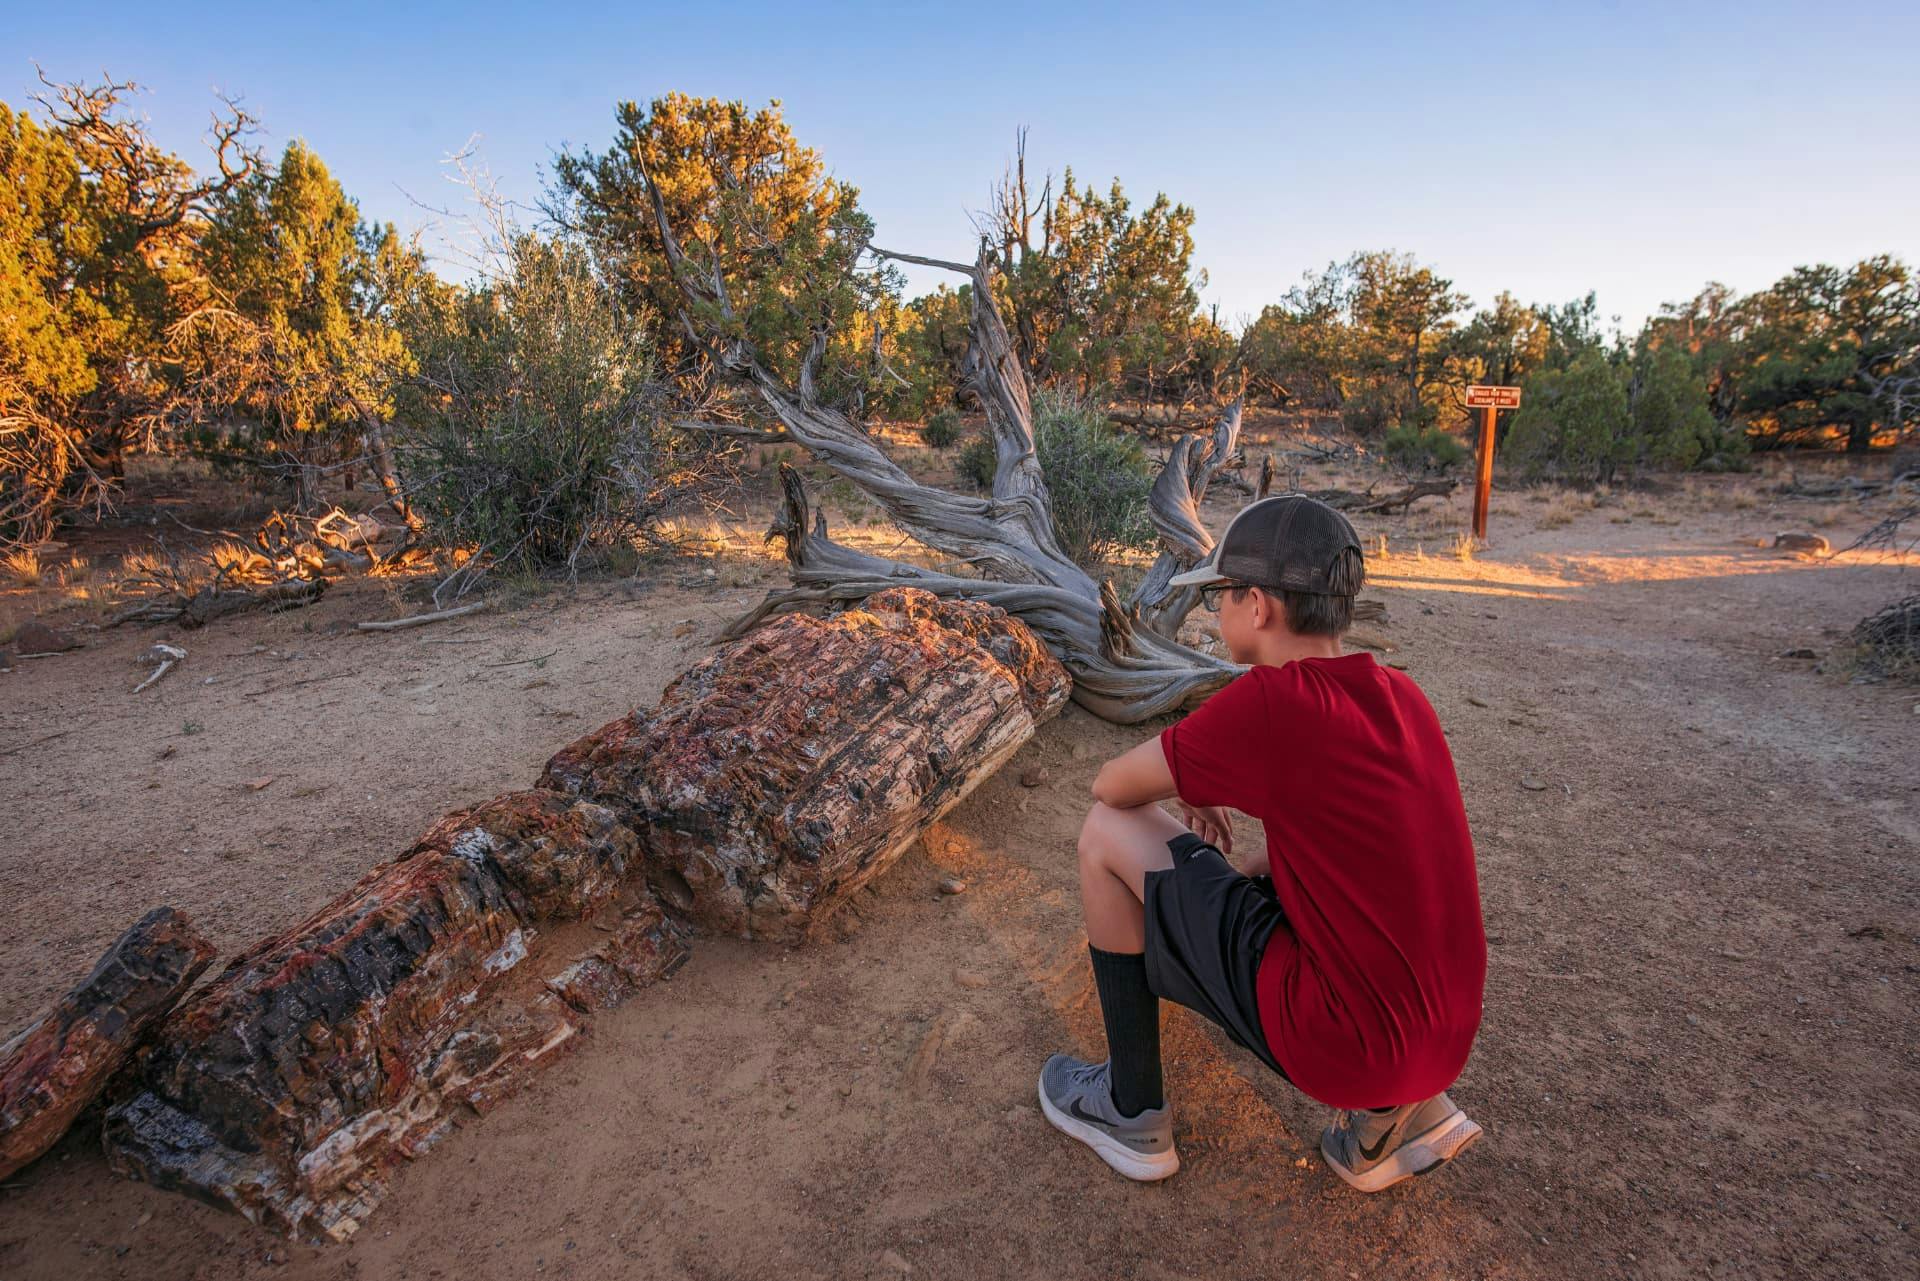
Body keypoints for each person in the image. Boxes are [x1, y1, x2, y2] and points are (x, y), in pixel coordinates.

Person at [1037, 493, 1488, 1191]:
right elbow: (1382, 849)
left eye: (1219, 595)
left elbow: (1112, 786)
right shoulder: (1402, 696)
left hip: (1343, 1040)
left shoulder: (1274, 703)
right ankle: (1393, 1118)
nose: (1214, 614)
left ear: (1259, 607)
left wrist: (1181, 770)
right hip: (1442, 1037)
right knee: (1254, 871)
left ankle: (1130, 1109)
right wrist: (1260, 846)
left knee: (1106, 834)